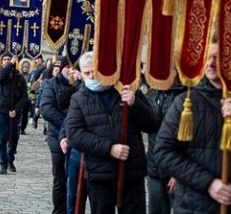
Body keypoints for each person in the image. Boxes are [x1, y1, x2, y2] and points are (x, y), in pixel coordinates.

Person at [66, 51, 156, 213]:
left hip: (131, 173)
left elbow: (152, 124)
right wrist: (109, 148)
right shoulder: (79, 99)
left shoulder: (127, 90)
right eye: (87, 73)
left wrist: (135, 104)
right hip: (100, 175)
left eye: (95, 71)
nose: (92, 76)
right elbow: (75, 135)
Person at [155, 36, 231, 212]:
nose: (211, 63)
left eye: (218, 58)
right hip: (194, 206)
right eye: (207, 57)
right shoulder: (186, 102)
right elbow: (163, 152)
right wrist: (209, 183)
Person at [39, 57, 75, 214]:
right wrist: (68, 124)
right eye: (68, 67)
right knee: (60, 178)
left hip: (77, 137)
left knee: (74, 179)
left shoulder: (80, 86)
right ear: (62, 68)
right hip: (56, 137)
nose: (71, 70)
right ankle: (59, 210)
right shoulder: (50, 84)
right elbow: (46, 109)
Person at [145, 71, 184, 214]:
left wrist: (178, 173)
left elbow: (190, 141)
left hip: (177, 172)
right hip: (154, 170)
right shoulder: (151, 94)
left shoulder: (186, 97)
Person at [0, 52, 28, 174]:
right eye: (5, 59)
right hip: (1, 110)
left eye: (9, 59)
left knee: (14, 139)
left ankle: (10, 160)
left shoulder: (19, 77)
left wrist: (16, 110)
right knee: (2, 138)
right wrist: (11, 64)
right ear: (2, 62)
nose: (7, 61)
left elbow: (25, 97)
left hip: (14, 112)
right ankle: (3, 163)